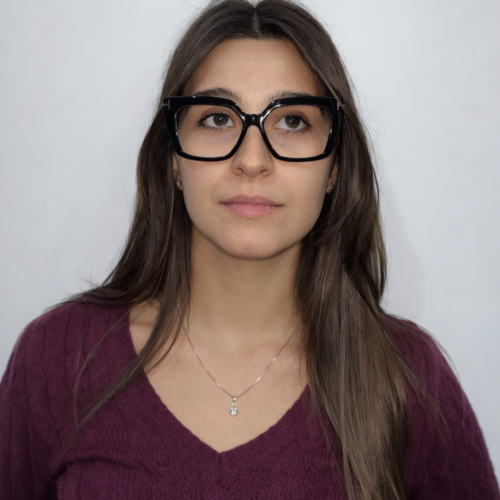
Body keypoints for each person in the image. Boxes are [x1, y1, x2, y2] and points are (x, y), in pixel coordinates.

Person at [0, 0, 499, 498]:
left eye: (293, 121)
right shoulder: (59, 357)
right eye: (218, 119)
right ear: (173, 159)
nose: (252, 159)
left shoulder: (407, 376)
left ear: (334, 168)